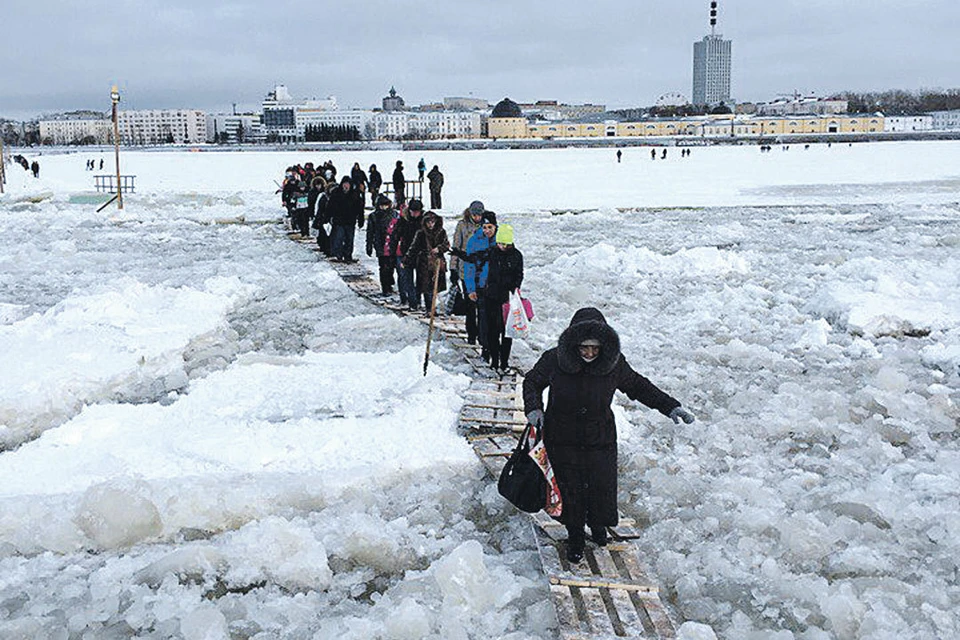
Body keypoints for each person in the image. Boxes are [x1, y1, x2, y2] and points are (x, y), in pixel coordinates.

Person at [522, 308, 696, 563]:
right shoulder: (553, 360)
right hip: (562, 437)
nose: (590, 353)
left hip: (599, 437)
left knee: (600, 487)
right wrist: (534, 408)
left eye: (595, 348)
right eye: (584, 347)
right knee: (570, 489)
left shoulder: (614, 363)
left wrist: (670, 406)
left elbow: (638, 386)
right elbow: (532, 382)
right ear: (573, 344)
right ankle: (575, 536)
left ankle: (598, 525)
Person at [463, 211, 498, 362]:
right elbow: (469, 267)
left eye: (490, 227)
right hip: (481, 286)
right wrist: (470, 289)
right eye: (484, 227)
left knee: (496, 321)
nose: (487, 231)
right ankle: (485, 348)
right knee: (483, 319)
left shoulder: (501, 240)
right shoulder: (474, 241)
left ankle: (495, 350)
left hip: (497, 288)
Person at [450, 201, 485, 345]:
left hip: (483, 271)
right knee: (470, 305)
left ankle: (482, 335)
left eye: (479, 215)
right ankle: (471, 334)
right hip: (466, 271)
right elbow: (456, 247)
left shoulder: (486, 225)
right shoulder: (462, 225)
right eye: (475, 215)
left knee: (482, 306)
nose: (477, 217)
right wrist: (453, 268)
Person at [403, 211, 450, 312]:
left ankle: (432, 308)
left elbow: (446, 245)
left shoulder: (441, 232)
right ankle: (429, 309)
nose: (430, 224)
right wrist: (406, 260)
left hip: (437, 262)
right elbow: (414, 248)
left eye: (432, 222)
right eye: (428, 222)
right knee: (426, 287)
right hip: (424, 263)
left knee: (435, 287)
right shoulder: (420, 233)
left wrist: (439, 249)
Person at [387, 199, 424, 309]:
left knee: (420, 279)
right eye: (413, 211)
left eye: (417, 212)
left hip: (420, 253)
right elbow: (395, 236)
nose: (415, 214)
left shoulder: (423, 220)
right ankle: (411, 302)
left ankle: (417, 301)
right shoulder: (403, 220)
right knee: (407, 278)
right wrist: (392, 253)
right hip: (405, 253)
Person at [327, 176, 364, 262]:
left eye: (348, 184)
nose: (346, 186)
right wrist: (328, 217)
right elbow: (330, 207)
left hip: (350, 220)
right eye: (344, 184)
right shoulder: (336, 193)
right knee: (339, 238)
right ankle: (338, 255)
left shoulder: (355, 195)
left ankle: (348, 255)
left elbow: (360, 208)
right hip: (339, 220)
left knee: (349, 239)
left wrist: (360, 219)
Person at [366, 195, 396, 295]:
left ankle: (389, 283)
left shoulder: (394, 215)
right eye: (382, 205)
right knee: (383, 266)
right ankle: (385, 287)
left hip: (392, 244)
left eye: (386, 205)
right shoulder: (374, 216)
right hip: (380, 244)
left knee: (391, 265)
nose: (383, 207)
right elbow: (370, 232)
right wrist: (369, 245)